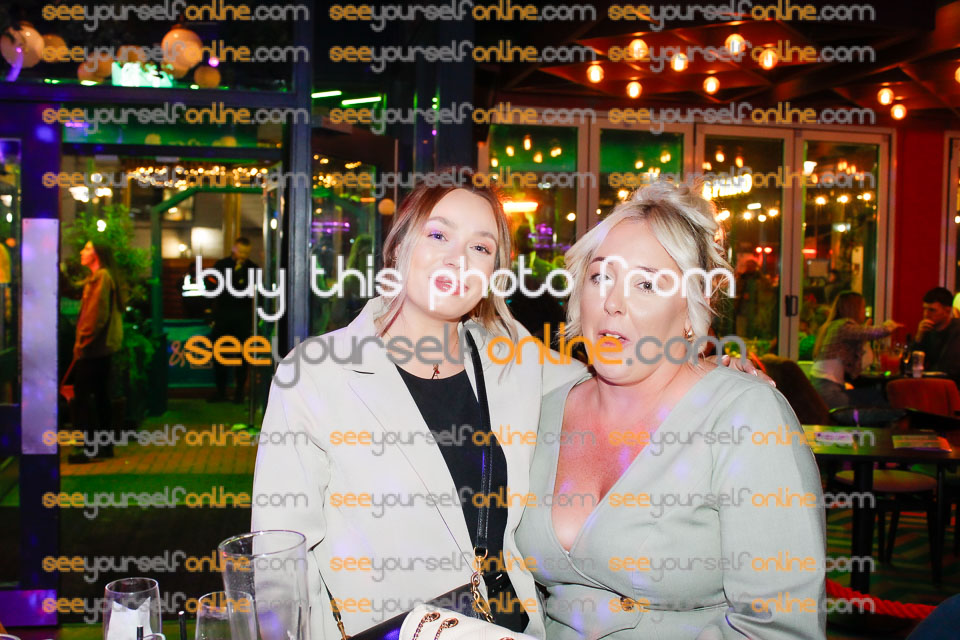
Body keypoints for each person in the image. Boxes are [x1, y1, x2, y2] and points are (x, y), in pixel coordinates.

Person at [251, 178, 767, 639]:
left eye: (480, 247)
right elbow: (278, 559)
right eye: (439, 235)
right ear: (400, 244)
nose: (458, 259)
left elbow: (616, 377)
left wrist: (707, 371)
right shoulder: (317, 374)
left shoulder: (510, 357)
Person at [515, 181, 826, 639]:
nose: (612, 303)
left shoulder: (745, 418)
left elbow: (779, 627)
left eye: (646, 283)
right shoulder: (543, 409)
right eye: (600, 277)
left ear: (693, 306)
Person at [68, 240, 123, 463]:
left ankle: (86, 447)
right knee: (100, 396)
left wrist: (82, 341)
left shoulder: (100, 278)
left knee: (82, 397)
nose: (82, 252)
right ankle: (104, 446)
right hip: (102, 348)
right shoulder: (104, 277)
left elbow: (95, 315)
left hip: (93, 348)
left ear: (97, 254)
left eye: (87, 248)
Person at [810, 291, 902, 409]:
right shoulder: (843, 326)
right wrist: (889, 326)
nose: (864, 311)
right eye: (863, 307)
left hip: (822, 386)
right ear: (854, 309)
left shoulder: (834, 326)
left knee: (873, 397)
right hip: (828, 390)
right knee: (878, 400)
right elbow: (873, 333)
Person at [205, 237, 258, 403]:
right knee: (220, 353)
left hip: (242, 317)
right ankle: (221, 391)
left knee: (243, 356)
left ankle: (239, 392)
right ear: (234, 249)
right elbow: (211, 287)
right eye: (241, 251)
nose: (243, 255)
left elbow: (255, 292)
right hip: (224, 315)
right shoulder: (221, 265)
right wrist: (209, 311)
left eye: (246, 253)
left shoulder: (252, 268)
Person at [913, 287, 960, 383]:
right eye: (924, 309)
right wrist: (918, 338)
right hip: (931, 383)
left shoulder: (957, 330)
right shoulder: (927, 331)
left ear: (947, 311)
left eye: (932, 310)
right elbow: (910, 366)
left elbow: (950, 367)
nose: (926, 314)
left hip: (953, 385)